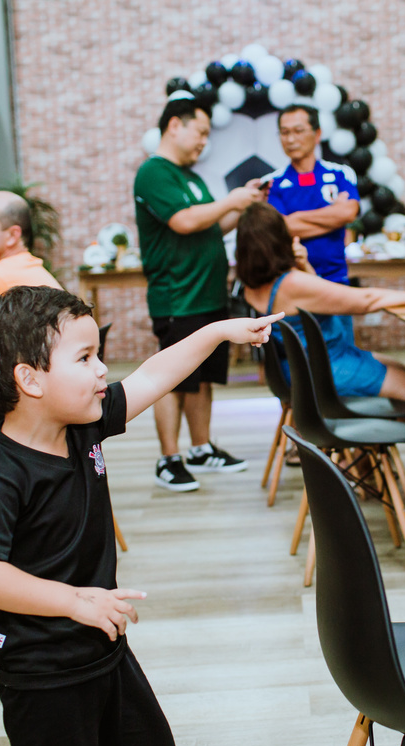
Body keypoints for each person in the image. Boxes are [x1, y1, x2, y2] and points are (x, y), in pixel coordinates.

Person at [0, 285, 279, 746]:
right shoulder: (1, 474)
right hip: (44, 674)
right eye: (85, 358)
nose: (103, 369)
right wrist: (71, 600)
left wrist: (218, 332)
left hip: (101, 647)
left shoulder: (81, 426)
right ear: (29, 379)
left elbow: (153, 374)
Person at [133, 93, 264, 491]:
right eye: (201, 132)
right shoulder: (154, 172)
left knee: (203, 378)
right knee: (172, 379)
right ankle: (169, 458)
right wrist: (230, 200)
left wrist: (242, 207)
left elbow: (208, 227)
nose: (204, 141)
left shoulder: (190, 174)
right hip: (178, 297)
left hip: (207, 296)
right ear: (175, 125)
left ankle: (201, 448)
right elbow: (184, 221)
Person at [235, 202, 405, 409]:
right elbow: (366, 301)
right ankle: (368, 436)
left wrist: (304, 266)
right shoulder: (291, 284)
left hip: (296, 368)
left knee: (400, 369)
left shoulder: (251, 287)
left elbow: (314, 298)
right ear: (279, 239)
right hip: (326, 366)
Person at [265, 104, 360, 285]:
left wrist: (296, 218)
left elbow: (348, 213)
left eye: (298, 131)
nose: (291, 139)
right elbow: (280, 229)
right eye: (284, 132)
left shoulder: (340, 173)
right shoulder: (272, 182)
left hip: (336, 278)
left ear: (317, 134)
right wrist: (334, 218)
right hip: (291, 280)